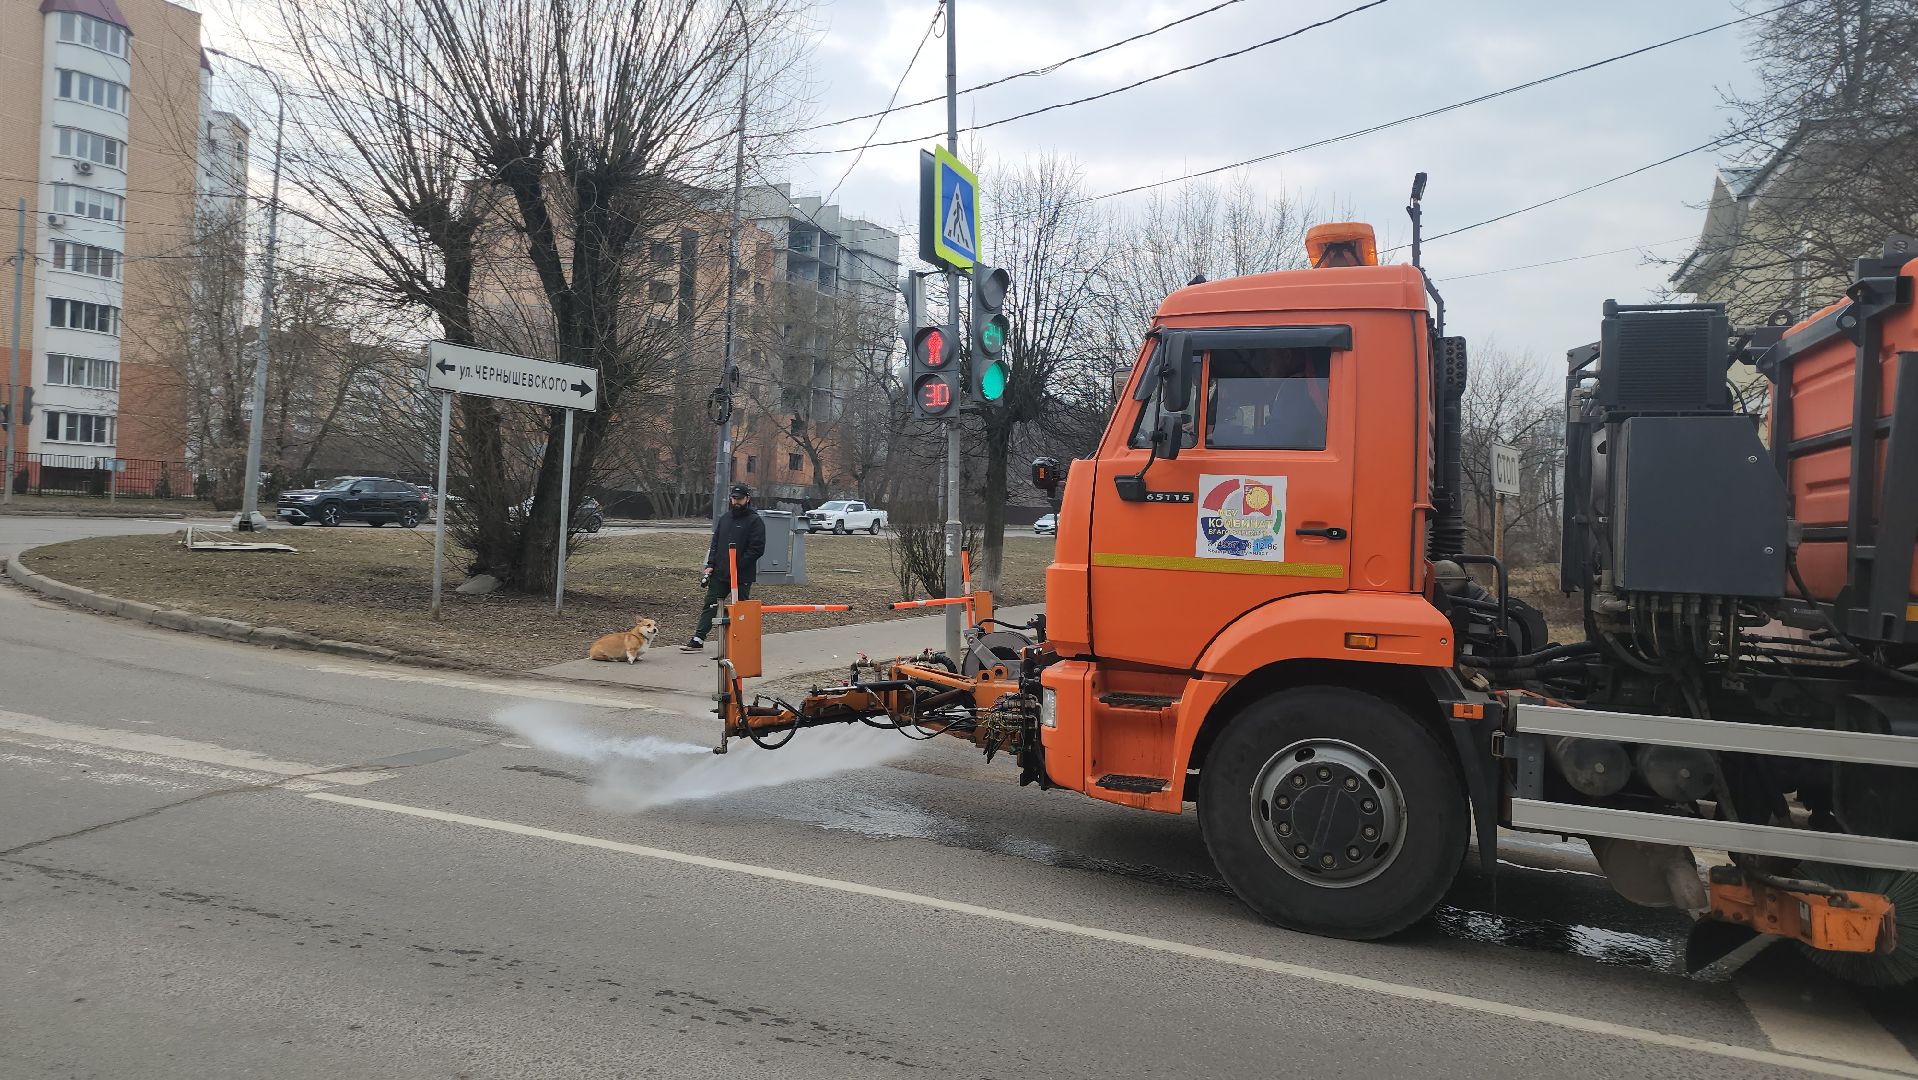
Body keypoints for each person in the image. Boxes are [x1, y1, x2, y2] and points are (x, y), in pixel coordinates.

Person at [682, 483, 765, 652]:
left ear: (747, 499)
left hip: (741, 575)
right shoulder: (725, 518)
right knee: (710, 604)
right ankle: (698, 638)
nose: (736, 502)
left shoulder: (755, 521)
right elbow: (715, 544)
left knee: (741, 607)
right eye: (734, 498)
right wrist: (710, 564)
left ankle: (743, 640)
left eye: (740, 499)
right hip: (720, 573)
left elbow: (757, 549)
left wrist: (738, 565)